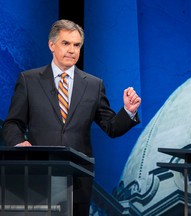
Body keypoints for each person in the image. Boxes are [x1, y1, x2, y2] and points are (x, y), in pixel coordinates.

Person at [2, 19, 141, 215]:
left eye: (76, 45)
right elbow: (12, 123)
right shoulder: (29, 80)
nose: (72, 50)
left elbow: (111, 127)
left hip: (78, 180)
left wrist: (128, 111)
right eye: (65, 43)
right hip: (38, 175)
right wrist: (18, 143)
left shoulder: (94, 85)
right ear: (52, 45)